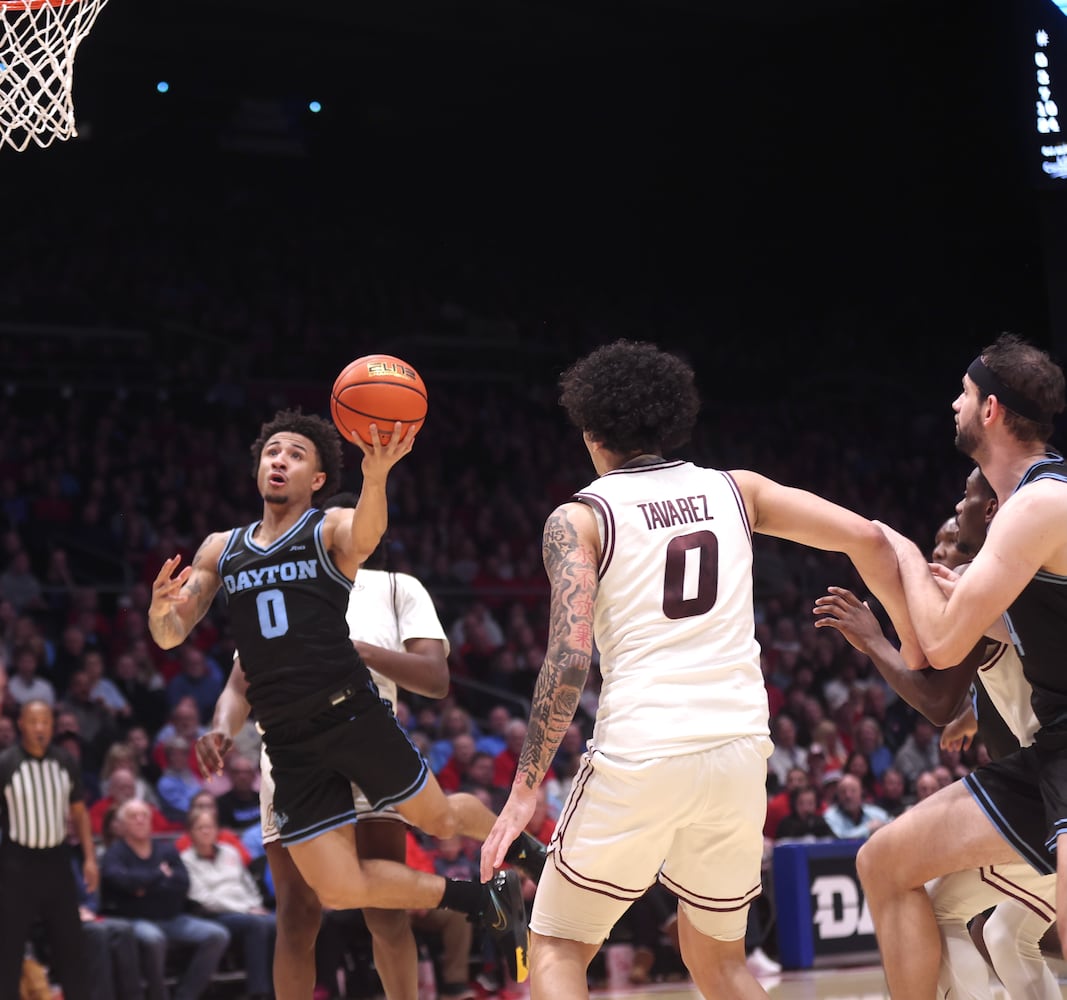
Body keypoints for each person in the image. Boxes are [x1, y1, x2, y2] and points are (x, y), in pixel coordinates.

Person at [479, 339, 919, 1000]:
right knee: (718, 961)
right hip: (739, 750)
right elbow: (868, 538)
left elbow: (570, 656)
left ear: (590, 430)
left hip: (642, 746)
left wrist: (523, 789)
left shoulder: (579, 517)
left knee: (559, 944)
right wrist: (912, 644)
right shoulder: (737, 490)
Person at [171, 416, 540, 996]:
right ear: (256, 466)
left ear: (317, 479)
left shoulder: (347, 548)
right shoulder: (227, 551)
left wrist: (378, 476)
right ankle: (477, 899)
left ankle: (519, 845)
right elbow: (184, 643)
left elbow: (365, 535)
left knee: (437, 826)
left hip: (352, 718)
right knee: (329, 895)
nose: (279, 460)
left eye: (294, 454)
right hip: (286, 742)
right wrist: (160, 615)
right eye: (272, 451)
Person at [837, 333, 1067, 998]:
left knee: (1006, 934)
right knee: (884, 861)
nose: (952, 405)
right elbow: (937, 646)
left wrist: (899, 552)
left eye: (963, 396)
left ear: (990, 410)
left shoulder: (1038, 504)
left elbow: (936, 650)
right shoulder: (1026, 511)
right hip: (1048, 750)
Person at [0, 699, 95, 1000]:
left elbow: (79, 813)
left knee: (71, 946)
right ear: (21, 725)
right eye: (33, 722)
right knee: (8, 948)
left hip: (57, 863)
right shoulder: (6, 763)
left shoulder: (65, 761)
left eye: (45, 722)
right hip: (17, 864)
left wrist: (91, 859)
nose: (40, 728)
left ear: (53, 726)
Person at [99, 798, 231, 1000]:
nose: (140, 820)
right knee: (154, 939)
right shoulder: (115, 853)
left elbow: (182, 884)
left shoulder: (165, 849)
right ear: (123, 825)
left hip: (172, 917)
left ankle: (185, 995)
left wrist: (143, 887)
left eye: (144, 815)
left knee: (217, 935)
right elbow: (122, 883)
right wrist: (158, 875)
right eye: (133, 817)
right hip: (135, 919)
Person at [180, 808, 276, 1000]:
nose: (206, 832)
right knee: (257, 924)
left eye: (209, 827)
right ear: (190, 832)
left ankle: (280, 988)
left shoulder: (230, 852)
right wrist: (246, 910)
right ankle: (259, 992)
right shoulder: (185, 860)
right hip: (214, 913)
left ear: (217, 830)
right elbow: (203, 897)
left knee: (275, 922)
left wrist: (254, 905)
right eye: (200, 828)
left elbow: (248, 884)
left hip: (247, 910)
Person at [821, 773, 891, 840]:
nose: (848, 796)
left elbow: (892, 824)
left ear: (861, 792)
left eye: (853, 791)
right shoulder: (830, 816)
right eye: (843, 791)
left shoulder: (874, 812)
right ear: (837, 795)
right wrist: (867, 829)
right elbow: (840, 837)